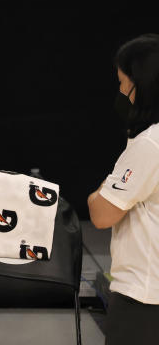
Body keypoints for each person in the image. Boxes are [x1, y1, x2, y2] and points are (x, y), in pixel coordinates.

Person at [87, 34, 159, 345]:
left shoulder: (150, 144)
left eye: (123, 81)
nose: (120, 91)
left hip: (143, 299)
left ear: (141, 85)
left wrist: (100, 189)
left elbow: (102, 213)